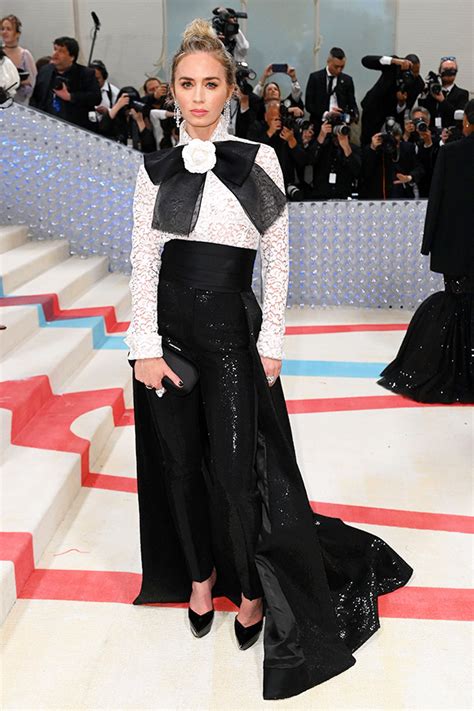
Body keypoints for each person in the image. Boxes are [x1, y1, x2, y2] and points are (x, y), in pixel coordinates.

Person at [126, 18, 412, 701]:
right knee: (177, 464)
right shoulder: (154, 165)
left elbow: (278, 257)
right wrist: (141, 345)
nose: (198, 97)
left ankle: (250, 589)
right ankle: (199, 579)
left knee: (233, 472)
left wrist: (271, 340)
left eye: (211, 84)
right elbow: (143, 256)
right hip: (165, 331)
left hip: (230, 330)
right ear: (176, 90)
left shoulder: (258, 159)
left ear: (231, 89)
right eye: (188, 84)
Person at [378, 100, 474, 403]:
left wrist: (428, 243)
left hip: (454, 246)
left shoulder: (451, 153)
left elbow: (437, 200)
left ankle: (450, 370)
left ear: (467, 122)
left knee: (457, 302)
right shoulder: (449, 151)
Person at [31, 36, 101, 129]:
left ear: (72, 57)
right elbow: (36, 97)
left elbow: (96, 98)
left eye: (61, 51)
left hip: (73, 126)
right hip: (45, 124)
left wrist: (70, 97)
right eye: (55, 49)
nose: (55, 54)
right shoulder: (45, 70)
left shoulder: (86, 74)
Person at [290, 116, 361, 200]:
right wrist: (321, 136)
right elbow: (309, 160)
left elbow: (357, 172)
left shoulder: (352, 149)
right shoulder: (322, 146)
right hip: (320, 196)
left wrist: (346, 147)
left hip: (343, 196)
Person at [360, 53, 424, 145]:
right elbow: (365, 61)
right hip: (374, 109)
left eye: (417, 71)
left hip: (394, 117)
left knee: (392, 144)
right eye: (412, 71)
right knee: (368, 142)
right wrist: (393, 60)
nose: (414, 75)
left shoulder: (418, 84)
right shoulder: (394, 66)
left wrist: (401, 103)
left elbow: (407, 108)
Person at [359, 118, 424, 199]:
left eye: (396, 135)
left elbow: (419, 169)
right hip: (378, 196)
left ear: (400, 136)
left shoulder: (408, 147)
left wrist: (409, 178)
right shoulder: (376, 150)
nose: (392, 139)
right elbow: (364, 171)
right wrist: (373, 148)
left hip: (403, 195)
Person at [305, 47, 358, 135]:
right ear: (328, 62)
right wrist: (326, 114)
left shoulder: (347, 80)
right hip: (320, 123)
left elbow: (352, 103)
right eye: (336, 66)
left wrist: (353, 115)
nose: (339, 70)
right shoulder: (315, 78)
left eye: (342, 67)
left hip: (340, 125)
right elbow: (309, 105)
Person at [98, 86, 157, 152]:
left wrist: (140, 121)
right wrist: (118, 106)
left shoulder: (141, 117)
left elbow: (149, 146)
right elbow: (102, 129)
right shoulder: (113, 116)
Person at [418, 57, 469, 129]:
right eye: (445, 69)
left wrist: (442, 101)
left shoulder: (462, 94)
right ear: (439, 72)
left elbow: (458, 116)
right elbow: (422, 112)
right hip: (431, 131)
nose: (448, 72)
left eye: (452, 70)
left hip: (452, 133)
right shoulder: (431, 93)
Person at [402, 106, 440, 197]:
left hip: (429, 188)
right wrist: (406, 135)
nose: (419, 123)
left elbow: (433, 166)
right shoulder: (409, 140)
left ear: (428, 122)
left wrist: (428, 143)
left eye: (422, 120)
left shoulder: (436, 139)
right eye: (416, 121)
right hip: (408, 188)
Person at [1, 14, 36, 105]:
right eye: (2, 29)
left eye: (8, 29)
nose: (4, 32)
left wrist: (19, 84)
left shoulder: (25, 55)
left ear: (17, 33)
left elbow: (33, 83)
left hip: (19, 103)